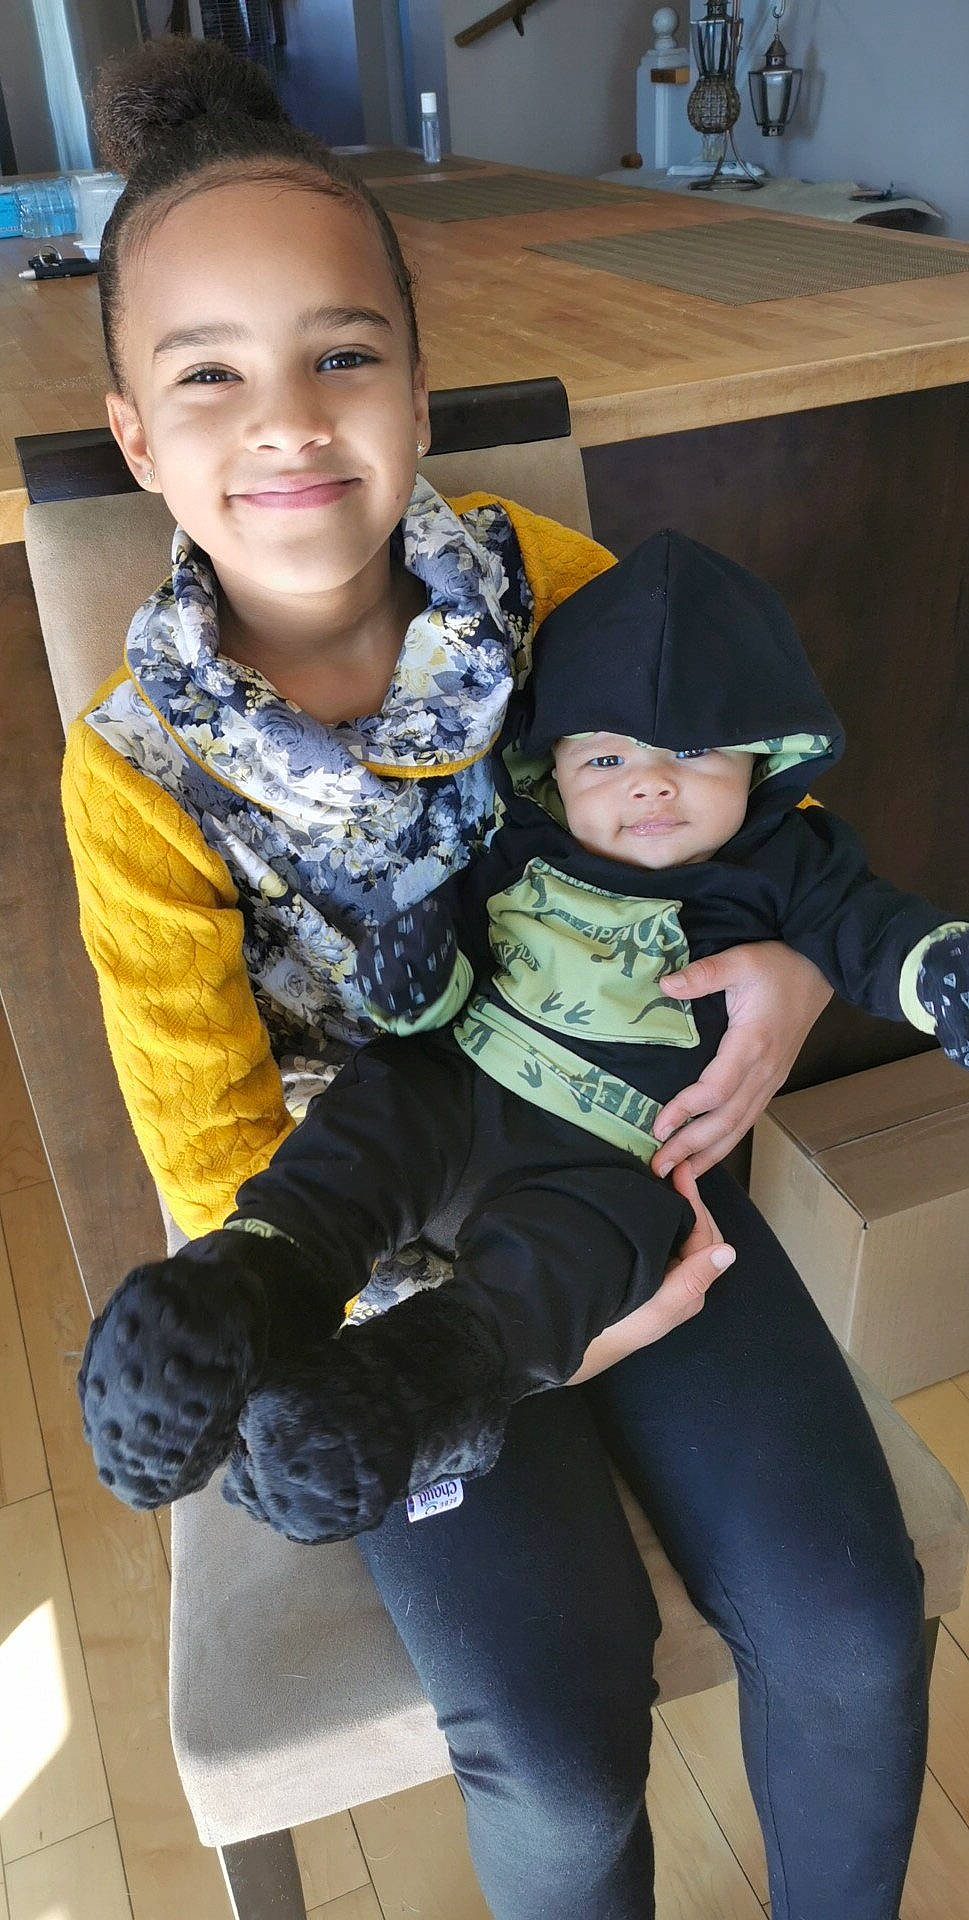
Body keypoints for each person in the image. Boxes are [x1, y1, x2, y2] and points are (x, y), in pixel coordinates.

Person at [61, 35, 927, 1920]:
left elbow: (722, 835)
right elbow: (208, 1147)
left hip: (626, 1152)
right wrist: (514, 1336)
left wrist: (781, 975)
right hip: (366, 1252)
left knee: (852, 1624)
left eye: (339, 354)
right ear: (136, 434)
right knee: (545, 1735)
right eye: (209, 372)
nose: (284, 417)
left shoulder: (559, 583)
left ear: (415, 385)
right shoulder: (135, 767)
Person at [78, 528, 969, 1546]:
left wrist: (941, 977)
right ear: (553, 766)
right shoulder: (519, 837)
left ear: (764, 761)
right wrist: (410, 973)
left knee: (576, 1261)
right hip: (455, 1082)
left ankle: (398, 1395)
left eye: (692, 755)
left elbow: (883, 938)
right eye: (607, 755)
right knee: (364, 1132)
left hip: (604, 1152)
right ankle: (240, 1295)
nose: (649, 784)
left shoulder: (790, 865)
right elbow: (435, 979)